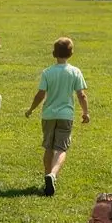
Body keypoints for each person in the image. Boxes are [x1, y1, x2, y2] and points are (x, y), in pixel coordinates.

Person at [25, 36, 89, 197]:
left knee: (48, 147)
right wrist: (85, 112)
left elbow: (40, 94)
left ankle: (47, 177)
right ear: (71, 53)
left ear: (54, 53)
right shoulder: (75, 72)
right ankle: (52, 175)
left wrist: (31, 109)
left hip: (48, 115)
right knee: (61, 148)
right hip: (66, 116)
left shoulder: (48, 72)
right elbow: (81, 95)